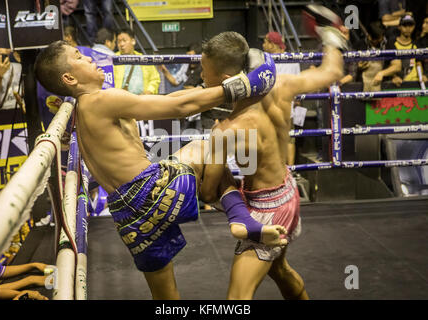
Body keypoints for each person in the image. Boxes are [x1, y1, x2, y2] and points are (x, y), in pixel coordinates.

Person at [34, 40, 282, 299]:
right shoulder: (99, 99)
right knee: (203, 145)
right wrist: (243, 86)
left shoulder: (81, 108)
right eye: (79, 57)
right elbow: (179, 108)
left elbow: (169, 98)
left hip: (128, 217)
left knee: (165, 296)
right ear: (69, 77)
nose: (89, 58)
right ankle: (238, 215)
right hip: (150, 191)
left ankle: (236, 214)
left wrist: (211, 89)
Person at [199, 9, 345, 300]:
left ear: (226, 79)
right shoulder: (281, 86)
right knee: (279, 271)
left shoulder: (227, 130)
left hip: (268, 213)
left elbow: (206, 193)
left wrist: (201, 167)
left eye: (204, 72)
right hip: (288, 192)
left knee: (237, 299)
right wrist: (332, 37)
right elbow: (332, 71)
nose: (201, 76)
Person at [262, 31, 301, 166]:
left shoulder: (267, 61)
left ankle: (280, 172)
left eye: (266, 41)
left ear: (272, 44)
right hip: (287, 107)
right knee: (288, 139)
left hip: (272, 108)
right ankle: (289, 170)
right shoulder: (293, 59)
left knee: (275, 139)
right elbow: (297, 84)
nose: (263, 44)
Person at [373, 13, 420, 88]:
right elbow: (392, 64)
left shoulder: (417, 44)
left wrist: (421, 76)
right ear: (399, 27)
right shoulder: (391, 43)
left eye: (410, 25)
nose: (408, 28)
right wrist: (394, 77)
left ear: (414, 26)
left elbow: (418, 63)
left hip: (414, 83)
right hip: (397, 84)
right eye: (405, 25)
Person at [114, 28, 160, 95]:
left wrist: (149, 91)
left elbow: (155, 79)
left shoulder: (143, 59)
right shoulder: (114, 59)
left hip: (142, 100)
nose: (121, 44)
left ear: (133, 41)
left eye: (124, 40)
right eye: (119, 42)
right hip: (121, 100)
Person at [359, 21, 387, 92]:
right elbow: (351, 66)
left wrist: (382, 73)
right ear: (368, 34)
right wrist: (358, 66)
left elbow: (396, 66)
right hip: (362, 84)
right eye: (372, 38)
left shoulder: (389, 44)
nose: (375, 41)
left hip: (385, 83)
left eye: (378, 39)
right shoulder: (359, 45)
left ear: (383, 36)